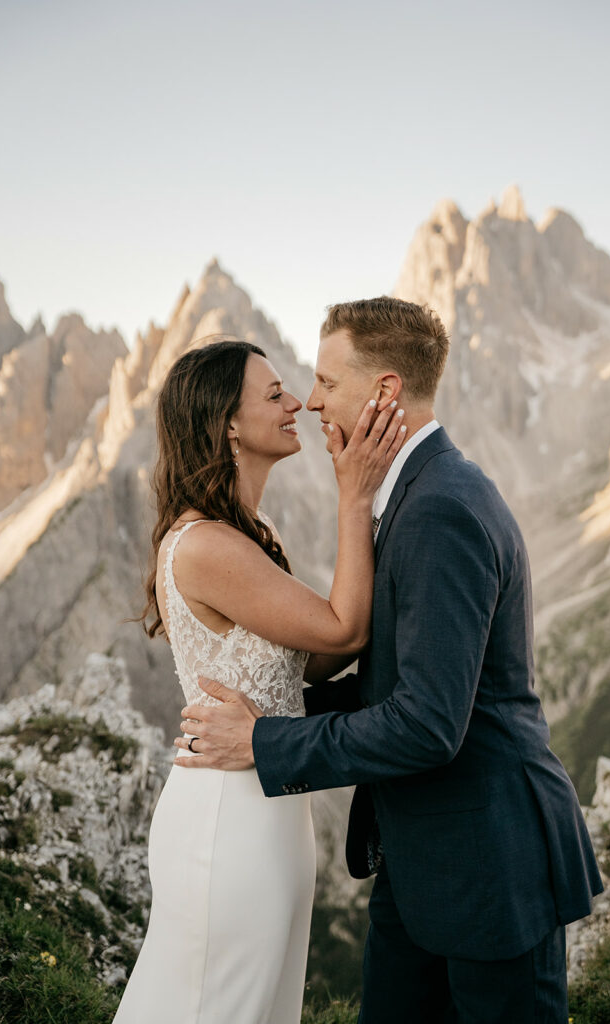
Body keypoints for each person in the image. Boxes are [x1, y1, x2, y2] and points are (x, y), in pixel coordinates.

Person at [175, 298, 604, 1024]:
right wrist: (267, 708)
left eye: (325, 383)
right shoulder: (410, 492)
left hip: (489, 868)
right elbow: (390, 682)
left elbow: (428, 723)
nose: (310, 402)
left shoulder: (440, 507)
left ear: (384, 393)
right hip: (417, 863)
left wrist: (263, 740)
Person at [113, 339, 407, 1024]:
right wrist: (355, 493)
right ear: (228, 424)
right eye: (273, 393)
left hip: (270, 806)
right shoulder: (208, 545)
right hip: (227, 816)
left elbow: (309, 658)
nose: (296, 403)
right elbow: (342, 631)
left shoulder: (249, 531)